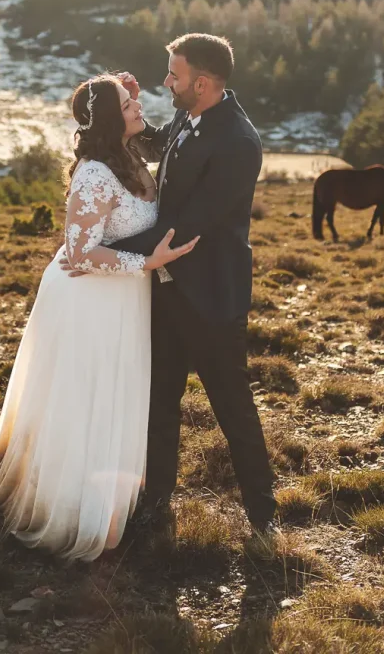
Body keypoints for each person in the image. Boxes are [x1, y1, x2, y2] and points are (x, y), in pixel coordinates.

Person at [0, 74, 198, 561]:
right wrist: (149, 263)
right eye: (128, 102)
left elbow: (130, 116)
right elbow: (78, 254)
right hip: (90, 299)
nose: (139, 105)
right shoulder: (96, 172)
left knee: (118, 396)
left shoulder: (130, 156)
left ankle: (113, 506)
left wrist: (121, 88)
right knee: (88, 399)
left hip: (122, 298)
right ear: (111, 119)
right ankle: (77, 509)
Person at [108, 33, 277, 533]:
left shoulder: (239, 145)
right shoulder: (192, 110)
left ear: (201, 83)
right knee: (160, 400)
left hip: (211, 300)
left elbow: (184, 230)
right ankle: (157, 502)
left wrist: (99, 256)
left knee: (233, 408)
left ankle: (263, 517)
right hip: (166, 290)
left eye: (173, 76)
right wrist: (129, 107)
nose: (167, 82)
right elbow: (163, 143)